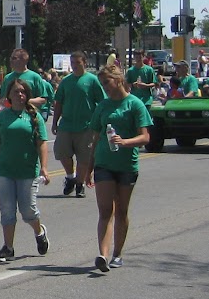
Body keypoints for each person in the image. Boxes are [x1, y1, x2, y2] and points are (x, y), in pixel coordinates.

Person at [91, 64, 151, 274]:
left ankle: (118, 253)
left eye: (106, 82)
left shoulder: (134, 104)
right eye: (102, 84)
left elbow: (145, 137)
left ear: (117, 80)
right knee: (105, 210)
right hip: (104, 164)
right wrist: (89, 165)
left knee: (121, 210)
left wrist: (125, 142)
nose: (104, 87)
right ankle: (103, 255)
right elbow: (96, 135)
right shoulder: (103, 106)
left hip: (126, 165)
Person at [0, 77, 51, 264]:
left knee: (28, 210)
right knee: (7, 210)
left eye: (23, 92)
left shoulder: (34, 116)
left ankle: (39, 232)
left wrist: (44, 168)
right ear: (9, 95)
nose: (20, 95)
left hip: (27, 171)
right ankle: (8, 247)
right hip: (5, 170)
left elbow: (42, 143)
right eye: (16, 91)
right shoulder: (2, 117)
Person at [52, 51, 104, 198]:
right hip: (67, 125)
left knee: (84, 158)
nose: (75, 66)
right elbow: (59, 103)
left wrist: (100, 122)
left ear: (84, 63)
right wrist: (55, 122)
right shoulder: (66, 81)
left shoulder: (92, 80)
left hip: (86, 126)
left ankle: (80, 185)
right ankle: (70, 177)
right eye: (72, 63)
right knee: (62, 153)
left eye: (78, 63)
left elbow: (102, 102)